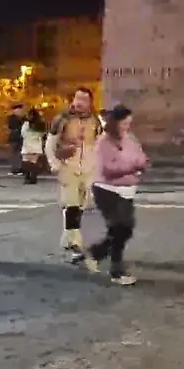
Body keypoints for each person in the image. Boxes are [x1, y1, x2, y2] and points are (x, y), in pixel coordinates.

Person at [86, 104, 146, 286]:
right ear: (115, 123)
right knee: (121, 228)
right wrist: (132, 167)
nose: (127, 127)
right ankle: (116, 271)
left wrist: (138, 164)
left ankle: (96, 253)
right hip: (107, 190)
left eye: (129, 123)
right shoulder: (104, 142)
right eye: (124, 123)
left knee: (124, 229)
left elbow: (142, 158)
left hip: (127, 190)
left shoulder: (130, 139)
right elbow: (109, 169)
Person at [45, 87, 101, 263]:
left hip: (88, 168)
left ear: (90, 102)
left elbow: (99, 143)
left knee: (81, 205)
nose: (79, 102)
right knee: (72, 205)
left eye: (84, 99)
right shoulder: (62, 119)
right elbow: (50, 143)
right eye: (77, 98)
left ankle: (67, 239)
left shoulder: (95, 120)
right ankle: (75, 244)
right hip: (68, 167)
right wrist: (54, 162)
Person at [19, 108, 47, 185]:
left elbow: (23, 133)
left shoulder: (26, 124)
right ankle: (33, 177)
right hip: (36, 146)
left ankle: (27, 177)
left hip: (27, 145)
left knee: (26, 162)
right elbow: (43, 134)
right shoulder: (40, 124)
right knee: (33, 162)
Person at [7, 104, 26, 176]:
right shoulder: (12, 118)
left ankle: (20, 168)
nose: (21, 111)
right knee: (14, 153)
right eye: (19, 110)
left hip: (22, 138)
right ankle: (15, 168)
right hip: (14, 138)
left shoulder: (24, 118)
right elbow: (11, 126)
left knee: (21, 153)